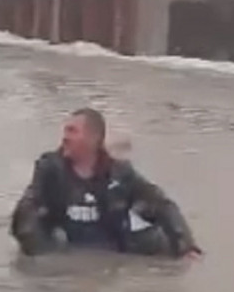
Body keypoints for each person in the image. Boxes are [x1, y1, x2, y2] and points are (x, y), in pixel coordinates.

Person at [10, 108, 202, 258]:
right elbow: (26, 212)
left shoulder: (120, 173)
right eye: (65, 131)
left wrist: (186, 247)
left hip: (113, 250)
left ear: (94, 138)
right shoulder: (50, 169)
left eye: (72, 131)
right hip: (65, 247)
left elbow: (162, 205)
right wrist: (43, 258)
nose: (64, 137)